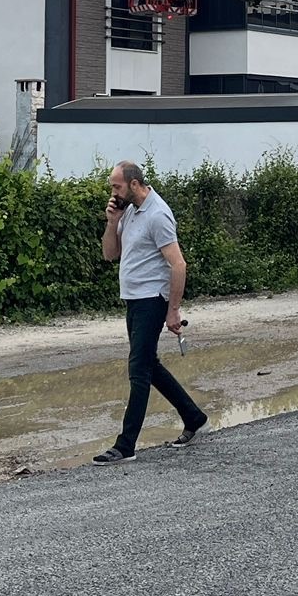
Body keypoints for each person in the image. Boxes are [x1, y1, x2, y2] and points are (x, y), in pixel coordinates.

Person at [93, 162, 208, 465]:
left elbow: (178, 264)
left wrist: (172, 310)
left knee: (139, 370)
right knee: (149, 364)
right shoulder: (129, 211)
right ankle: (193, 416)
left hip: (151, 301)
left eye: (116, 186)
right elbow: (110, 254)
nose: (112, 192)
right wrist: (111, 221)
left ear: (133, 184)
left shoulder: (157, 214)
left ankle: (125, 445)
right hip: (133, 299)